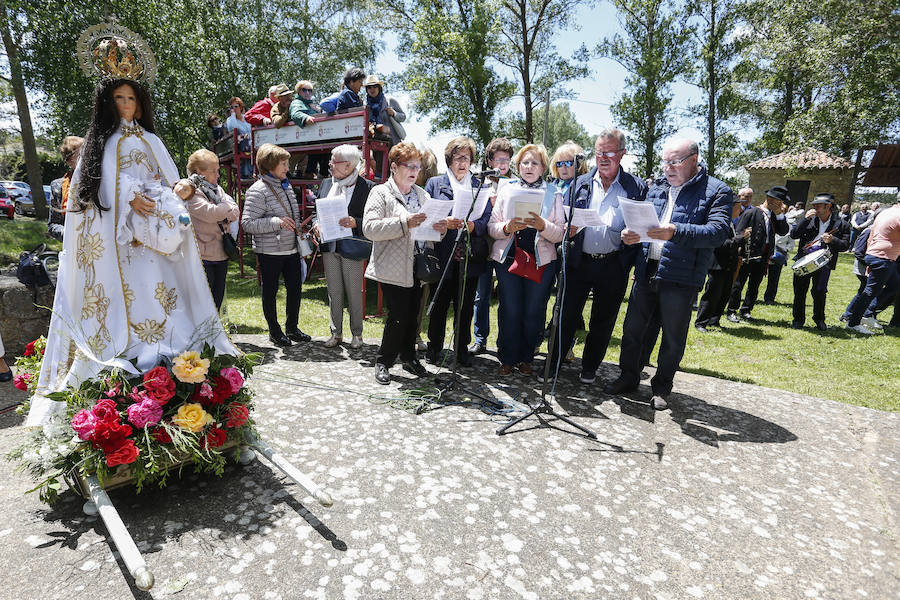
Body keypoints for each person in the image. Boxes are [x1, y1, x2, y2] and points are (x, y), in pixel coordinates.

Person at [26, 76, 237, 426]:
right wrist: (126, 196)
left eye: (131, 98)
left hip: (158, 246)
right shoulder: (102, 145)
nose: (126, 105)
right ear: (108, 103)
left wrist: (179, 189)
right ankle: (134, 369)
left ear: (141, 103)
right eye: (119, 98)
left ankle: (177, 367)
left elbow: (169, 180)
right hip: (122, 247)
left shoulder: (152, 140)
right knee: (131, 304)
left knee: (164, 301)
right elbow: (89, 189)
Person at [604, 138, 732, 411]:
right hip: (647, 268)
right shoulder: (657, 188)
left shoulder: (717, 190)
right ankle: (628, 377)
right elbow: (643, 225)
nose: (668, 168)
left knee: (672, 337)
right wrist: (631, 235)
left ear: (694, 160)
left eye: (675, 162)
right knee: (633, 330)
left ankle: (662, 387)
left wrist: (676, 231)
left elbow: (719, 232)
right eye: (665, 162)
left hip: (682, 276)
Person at [543, 130, 647, 384]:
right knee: (565, 315)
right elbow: (563, 217)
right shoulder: (581, 182)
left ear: (622, 154)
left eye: (609, 153)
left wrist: (634, 236)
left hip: (614, 263)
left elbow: (643, 226)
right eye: (599, 152)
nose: (603, 158)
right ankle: (553, 364)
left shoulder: (636, 187)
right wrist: (570, 229)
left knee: (603, 320)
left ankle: (589, 368)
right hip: (579, 260)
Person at [363, 142, 448, 384]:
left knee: (413, 315)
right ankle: (383, 361)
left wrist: (439, 230)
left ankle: (409, 358)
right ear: (393, 167)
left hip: (418, 266)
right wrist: (404, 223)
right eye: (409, 165)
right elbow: (369, 228)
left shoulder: (423, 195)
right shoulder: (380, 193)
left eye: (418, 167)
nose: (414, 171)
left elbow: (430, 233)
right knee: (398, 315)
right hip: (391, 265)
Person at [488, 143, 565, 376]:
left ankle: (527, 357)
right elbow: (492, 227)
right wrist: (506, 227)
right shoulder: (506, 189)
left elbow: (560, 232)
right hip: (509, 258)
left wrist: (544, 226)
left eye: (534, 163)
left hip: (541, 260)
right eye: (524, 162)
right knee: (510, 308)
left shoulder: (555, 193)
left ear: (543, 167)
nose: (529, 167)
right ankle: (507, 358)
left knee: (534, 310)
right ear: (518, 166)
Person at [423, 137, 493, 367]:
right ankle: (434, 348)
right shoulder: (435, 183)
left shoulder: (479, 184)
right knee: (439, 304)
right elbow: (427, 215)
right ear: (449, 160)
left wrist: (474, 226)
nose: (463, 162)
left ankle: (461, 350)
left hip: (469, 256)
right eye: (457, 157)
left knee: (464, 308)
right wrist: (444, 222)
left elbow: (486, 219)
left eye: (467, 158)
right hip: (443, 254)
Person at [241, 143, 311, 348]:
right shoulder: (257, 190)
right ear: (270, 165)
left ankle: (292, 328)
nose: (287, 168)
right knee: (270, 291)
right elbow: (247, 224)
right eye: (283, 163)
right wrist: (276, 222)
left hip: (291, 249)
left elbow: (292, 218)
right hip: (269, 251)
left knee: (295, 289)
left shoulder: (285, 186)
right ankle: (274, 331)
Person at [314, 144, 376, 349]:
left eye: (334, 161)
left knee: (354, 291)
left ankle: (357, 334)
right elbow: (317, 210)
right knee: (334, 291)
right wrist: (316, 223)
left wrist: (355, 222)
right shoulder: (325, 183)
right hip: (330, 246)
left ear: (349, 165)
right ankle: (336, 333)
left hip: (352, 246)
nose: (329, 164)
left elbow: (373, 218)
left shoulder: (367, 187)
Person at [469, 137, 514, 356]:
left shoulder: (516, 184)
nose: (502, 164)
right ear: (489, 161)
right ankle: (480, 339)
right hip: (484, 248)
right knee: (481, 295)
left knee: (506, 297)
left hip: (507, 248)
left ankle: (505, 342)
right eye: (498, 159)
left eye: (506, 159)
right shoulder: (480, 183)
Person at [184, 149, 239, 310]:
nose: (217, 175)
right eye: (213, 171)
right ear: (199, 172)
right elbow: (210, 213)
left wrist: (222, 210)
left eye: (218, 170)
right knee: (204, 304)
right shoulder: (191, 193)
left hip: (222, 253)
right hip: (203, 257)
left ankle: (214, 334)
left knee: (218, 300)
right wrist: (225, 209)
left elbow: (235, 210)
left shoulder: (217, 189)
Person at [726, 185, 789, 322]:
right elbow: (740, 232)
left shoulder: (775, 216)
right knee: (739, 283)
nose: (781, 205)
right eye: (779, 202)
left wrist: (779, 214)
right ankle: (732, 309)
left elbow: (783, 231)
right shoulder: (752, 212)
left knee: (755, 285)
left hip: (764, 255)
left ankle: (746, 309)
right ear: (770, 199)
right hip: (748, 254)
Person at [789, 192, 851, 330]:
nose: (814, 207)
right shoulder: (809, 219)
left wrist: (832, 240)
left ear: (828, 206)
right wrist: (804, 219)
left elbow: (845, 245)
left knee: (819, 292)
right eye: (814, 205)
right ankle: (798, 320)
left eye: (818, 205)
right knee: (800, 292)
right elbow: (794, 234)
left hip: (824, 262)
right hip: (804, 259)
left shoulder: (842, 224)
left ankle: (819, 320)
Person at [844, 203, 900, 334]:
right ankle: (853, 323)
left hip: (879, 256)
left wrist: (870, 256)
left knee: (895, 284)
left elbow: (872, 235)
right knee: (869, 292)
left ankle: (868, 313)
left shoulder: (885, 212)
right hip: (883, 258)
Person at [695, 200, 743, 331]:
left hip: (729, 264)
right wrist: (740, 238)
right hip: (717, 264)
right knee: (712, 294)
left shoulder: (732, 223)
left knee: (724, 294)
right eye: (738, 208)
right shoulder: (721, 223)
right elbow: (720, 243)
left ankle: (714, 320)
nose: (740, 211)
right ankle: (701, 322)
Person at [48, 135, 84, 241]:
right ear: (68, 160)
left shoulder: (100, 181)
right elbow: (53, 225)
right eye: (81, 154)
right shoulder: (57, 186)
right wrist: (69, 234)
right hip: (72, 248)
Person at [362, 75, 407, 146]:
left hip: (393, 142)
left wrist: (394, 114)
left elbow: (403, 117)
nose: (372, 89)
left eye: (374, 86)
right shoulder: (365, 105)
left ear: (379, 88)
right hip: (375, 144)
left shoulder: (390, 101)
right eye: (369, 87)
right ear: (366, 90)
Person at [225, 97, 253, 178]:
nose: (234, 109)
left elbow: (253, 128)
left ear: (241, 107)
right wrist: (233, 115)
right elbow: (232, 128)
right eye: (232, 107)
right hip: (241, 144)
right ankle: (247, 174)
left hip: (252, 141)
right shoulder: (230, 119)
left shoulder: (246, 117)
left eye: (236, 106)